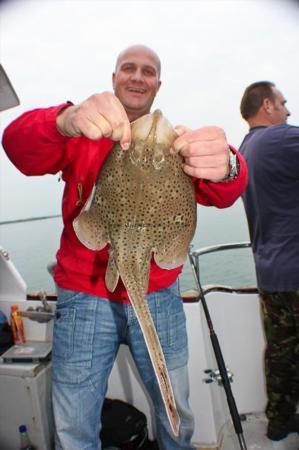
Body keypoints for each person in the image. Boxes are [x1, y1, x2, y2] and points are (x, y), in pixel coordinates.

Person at [2, 45, 248, 450]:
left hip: (157, 293)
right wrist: (64, 119)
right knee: (74, 420)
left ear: (158, 84)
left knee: (177, 415)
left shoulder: (176, 149)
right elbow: (16, 146)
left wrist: (228, 163)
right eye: (128, 68)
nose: (137, 76)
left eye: (148, 71)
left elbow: (225, 191)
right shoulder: (82, 127)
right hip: (84, 295)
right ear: (114, 77)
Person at [239, 81, 299, 441]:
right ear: (267, 105)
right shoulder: (282, 139)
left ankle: (279, 422)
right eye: (283, 102)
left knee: (282, 352)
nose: (288, 111)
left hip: (271, 272)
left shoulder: (247, 147)